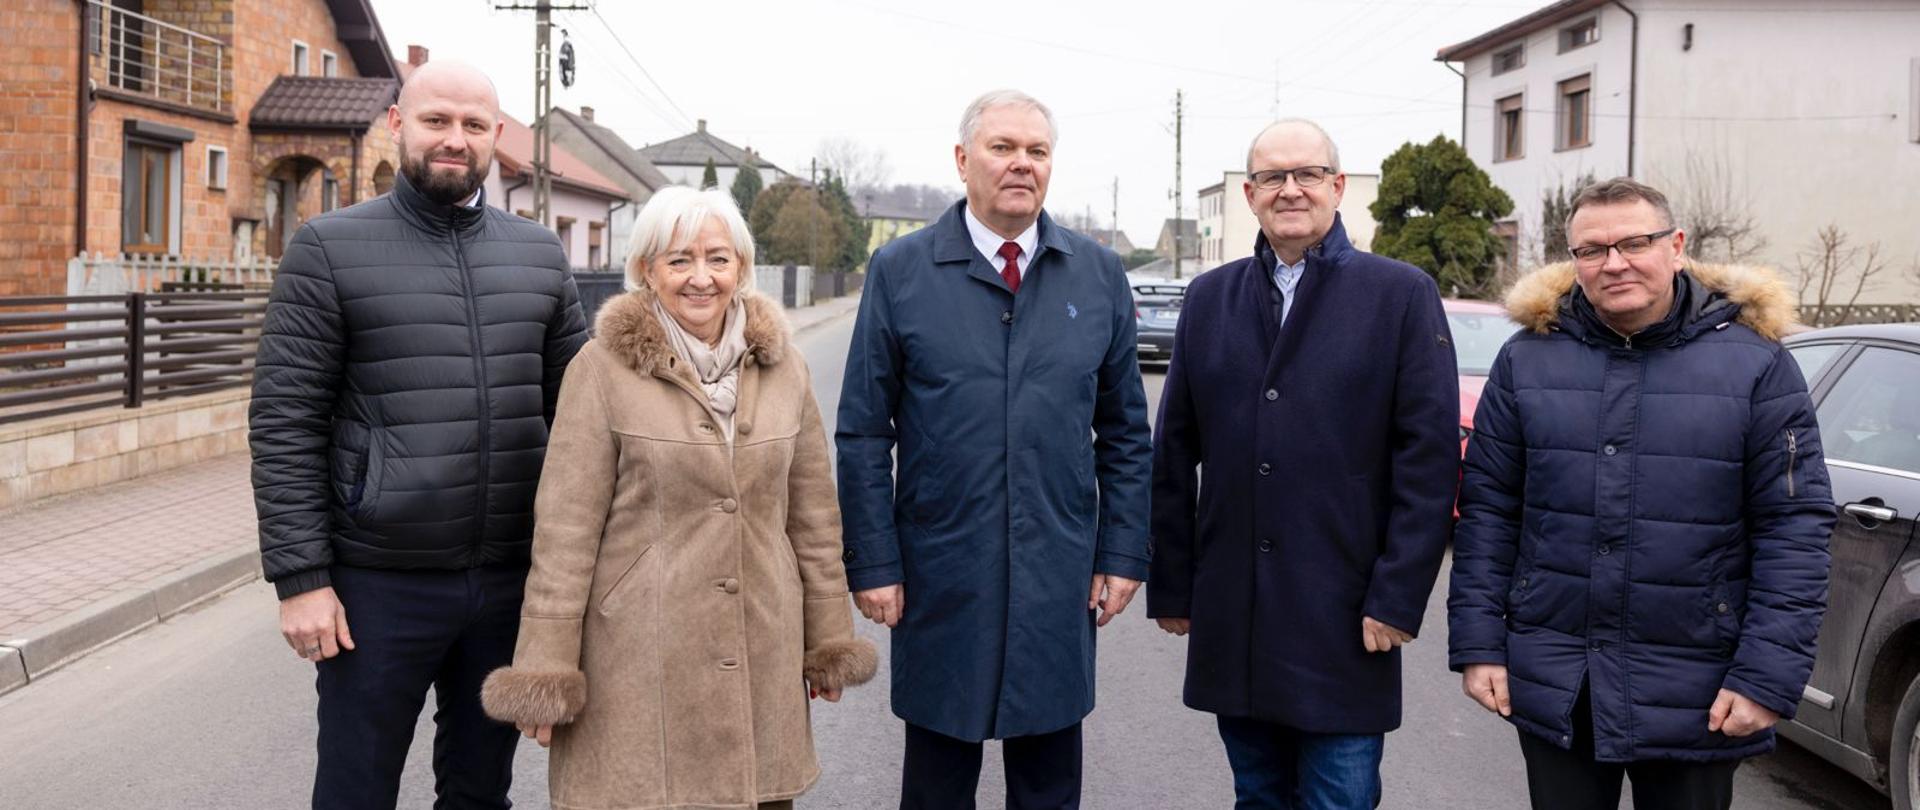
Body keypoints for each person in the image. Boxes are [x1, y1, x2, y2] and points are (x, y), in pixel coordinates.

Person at [248, 59, 587, 808]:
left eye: (473, 126)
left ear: (496, 139)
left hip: (509, 584)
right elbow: (285, 421)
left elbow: (584, 422)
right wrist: (302, 580)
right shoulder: (328, 248)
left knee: (479, 791)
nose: (454, 139)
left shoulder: (539, 255)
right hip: (377, 587)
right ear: (398, 124)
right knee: (355, 789)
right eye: (437, 121)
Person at [479, 186, 876, 809]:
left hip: (760, 640)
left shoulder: (785, 368)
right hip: (638, 652)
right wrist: (546, 669)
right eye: (678, 260)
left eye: (718, 259)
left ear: (741, 268)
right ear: (646, 270)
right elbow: (565, 529)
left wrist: (826, 640)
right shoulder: (600, 368)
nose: (701, 278)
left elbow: (813, 517)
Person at [1448, 177, 1835, 810]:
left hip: (1700, 685)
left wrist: (1766, 675)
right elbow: (1490, 510)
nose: (1614, 262)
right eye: (1593, 249)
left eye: (1635, 242)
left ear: (1676, 246)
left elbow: (1794, 528)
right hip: (1559, 676)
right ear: (1573, 261)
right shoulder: (1527, 361)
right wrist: (1479, 644)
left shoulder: (1756, 365)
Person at [835, 89, 1153, 809]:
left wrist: (1122, 553)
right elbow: (862, 432)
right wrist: (875, 562)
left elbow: (1127, 433)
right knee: (938, 782)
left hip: (1058, 571)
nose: (1021, 165)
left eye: (1036, 152)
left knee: (1048, 781)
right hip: (941, 570)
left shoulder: (1098, 276)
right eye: (1002, 148)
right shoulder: (902, 271)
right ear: (962, 160)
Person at [1146, 119, 1460, 809]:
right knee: (1257, 793)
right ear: (1251, 195)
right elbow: (1174, 452)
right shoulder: (1210, 299)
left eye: (1307, 174)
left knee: (1338, 798)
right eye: (1272, 177)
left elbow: (1428, 463)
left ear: (1338, 187)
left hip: (1345, 612)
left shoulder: (1400, 295)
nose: (1290, 189)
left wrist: (1399, 596)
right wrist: (1172, 584)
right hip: (1237, 606)